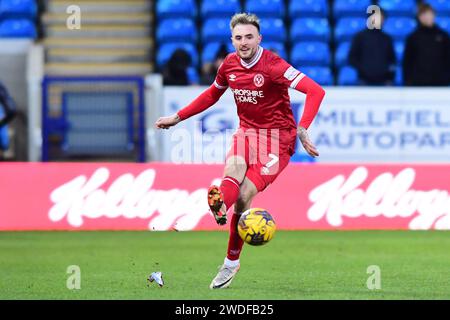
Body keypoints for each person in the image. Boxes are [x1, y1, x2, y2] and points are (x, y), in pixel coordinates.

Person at [155, 13, 325, 289]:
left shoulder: (274, 66)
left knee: (245, 197)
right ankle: (220, 204)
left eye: (249, 37)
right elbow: (212, 93)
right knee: (232, 170)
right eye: (238, 37)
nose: (243, 42)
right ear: (231, 40)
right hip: (247, 131)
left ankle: (231, 262)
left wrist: (303, 128)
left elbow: (316, 91)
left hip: (277, 139)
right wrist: (177, 117)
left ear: (259, 39)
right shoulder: (229, 64)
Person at [403, 3, 450, 86]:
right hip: (418, 83)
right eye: (423, 14)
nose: (427, 17)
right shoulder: (412, 37)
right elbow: (407, 62)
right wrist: (408, 81)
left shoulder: (444, 36)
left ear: (434, 15)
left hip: (440, 83)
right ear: (419, 17)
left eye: (429, 13)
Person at [349, 9, 396, 85]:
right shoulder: (360, 37)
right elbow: (352, 58)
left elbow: (392, 60)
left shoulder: (387, 39)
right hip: (364, 81)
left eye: (381, 18)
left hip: (384, 82)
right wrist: (364, 69)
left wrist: (389, 77)